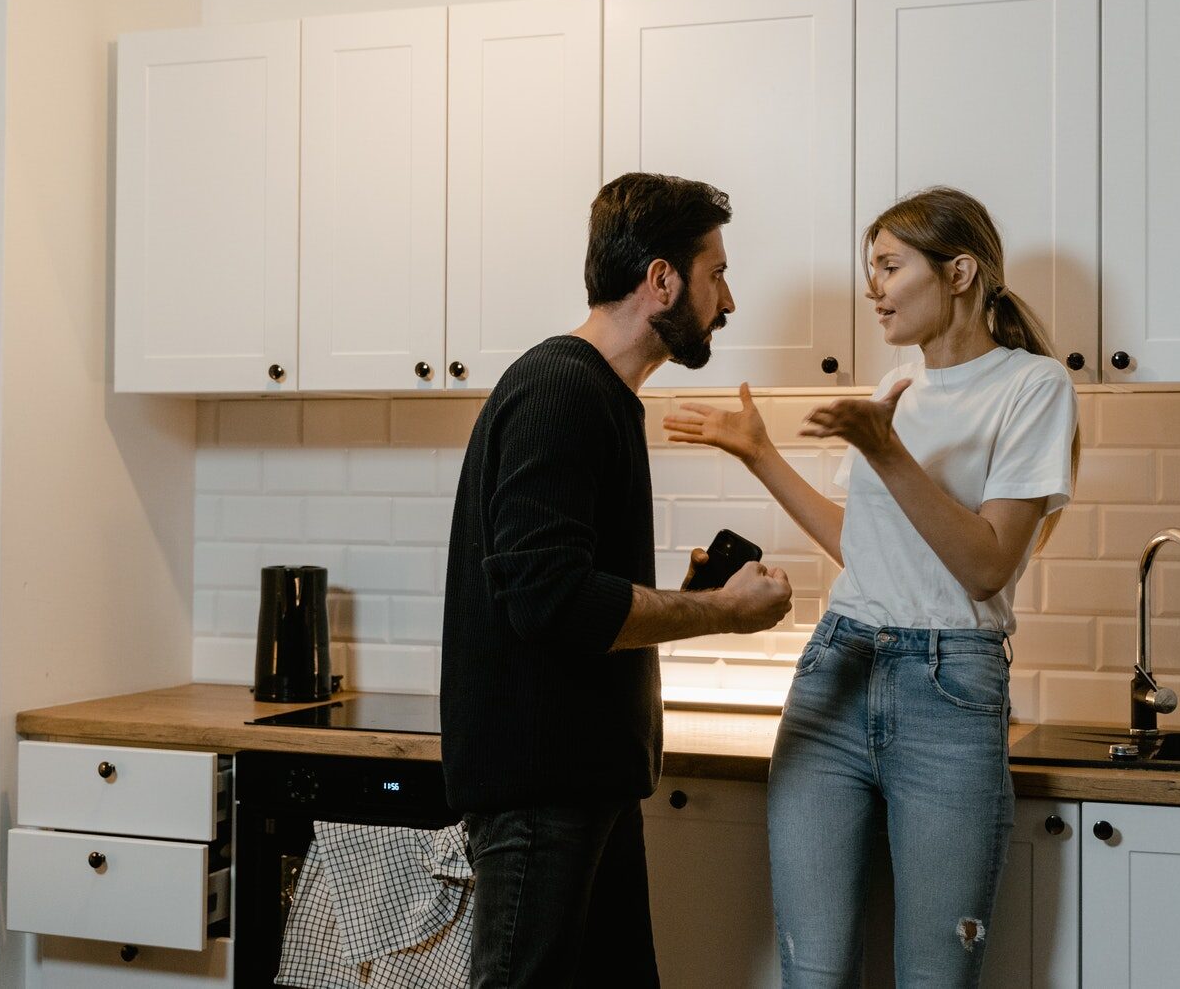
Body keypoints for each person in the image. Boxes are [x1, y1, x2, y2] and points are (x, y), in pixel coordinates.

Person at [665, 186, 1079, 987]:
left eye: (890, 266)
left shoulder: (1033, 388)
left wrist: (885, 449)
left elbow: (988, 562)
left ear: (959, 272)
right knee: (811, 973)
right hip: (837, 669)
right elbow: (865, 548)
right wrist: (758, 452)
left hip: (950, 687)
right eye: (871, 270)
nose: (873, 288)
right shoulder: (897, 387)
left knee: (935, 976)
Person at [440, 171, 793, 988]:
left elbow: (563, 587)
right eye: (717, 274)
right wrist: (720, 610)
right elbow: (551, 600)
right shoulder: (562, 389)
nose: (728, 300)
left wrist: (691, 587)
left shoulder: (596, 396)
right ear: (661, 279)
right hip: (542, 794)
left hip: (580, 787)